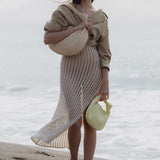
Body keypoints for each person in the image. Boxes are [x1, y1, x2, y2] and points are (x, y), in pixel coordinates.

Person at [31, 0, 112, 160]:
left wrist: (105, 81)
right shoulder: (64, 11)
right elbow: (48, 38)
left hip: (93, 73)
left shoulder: (101, 17)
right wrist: (78, 27)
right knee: (74, 120)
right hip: (70, 71)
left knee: (90, 121)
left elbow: (105, 52)